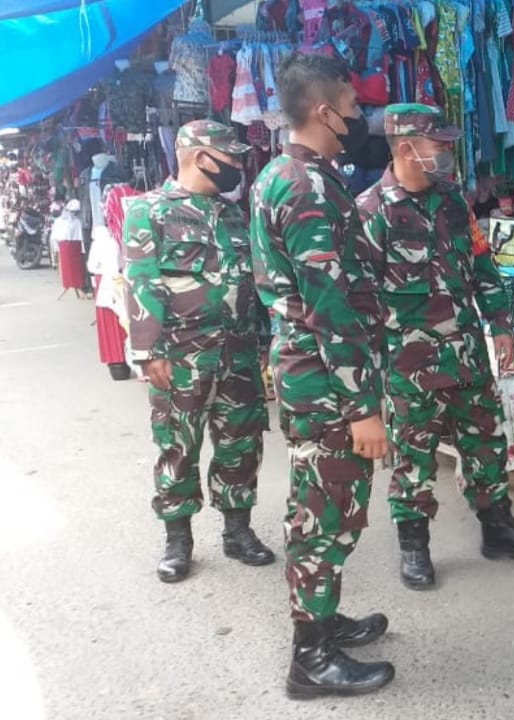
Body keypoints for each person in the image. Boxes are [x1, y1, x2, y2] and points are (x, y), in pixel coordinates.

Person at [356, 104, 514, 592]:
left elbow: (482, 265)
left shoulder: (453, 202)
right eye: (437, 145)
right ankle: (415, 546)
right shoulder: (370, 212)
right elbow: (358, 302)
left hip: (466, 352)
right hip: (410, 363)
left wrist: (502, 323)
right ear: (405, 149)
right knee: (413, 459)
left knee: (486, 442)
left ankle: (498, 528)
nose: (447, 153)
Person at [249, 53, 394, 699]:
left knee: (319, 505)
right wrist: (363, 406)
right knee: (325, 515)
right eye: (353, 106)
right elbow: (328, 305)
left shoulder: (286, 175)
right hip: (329, 382)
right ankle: (310, 660)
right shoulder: (305, 187)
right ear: (321, 110)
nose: (360, 118)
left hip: (311, 373)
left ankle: (323, 619)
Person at [123, 120, 275, 584]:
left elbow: (253, 280)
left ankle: (237, 530)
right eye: (230, 157)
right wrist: (150, 351)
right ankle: (178, 539)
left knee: (242, 443)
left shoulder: (233, 214)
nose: (238, 166)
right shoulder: (148, 210)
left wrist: (264, 342)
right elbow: (142, 281)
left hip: (239, 351)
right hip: (182, 356)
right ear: (199, 157)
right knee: (178, 445)